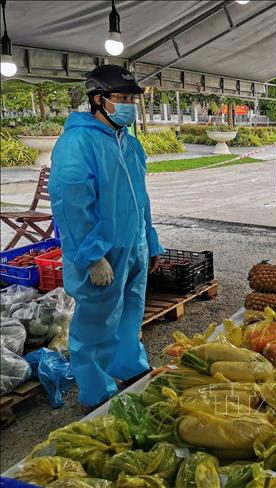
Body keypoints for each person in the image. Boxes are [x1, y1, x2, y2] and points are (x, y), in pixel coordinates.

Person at [49, 65, 164, 407]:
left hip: (133, 246)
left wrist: (150, 241)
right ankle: (97, 390)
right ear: (98, 100)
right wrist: (92, 255)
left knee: (130, 312)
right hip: (100, 252)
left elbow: (140, 198)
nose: (130, 104)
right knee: (95, 322)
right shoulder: (77, 142)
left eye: (132, 98)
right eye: (123, 98)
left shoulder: (128, 143)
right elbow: (71, 205)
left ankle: (130, 366)